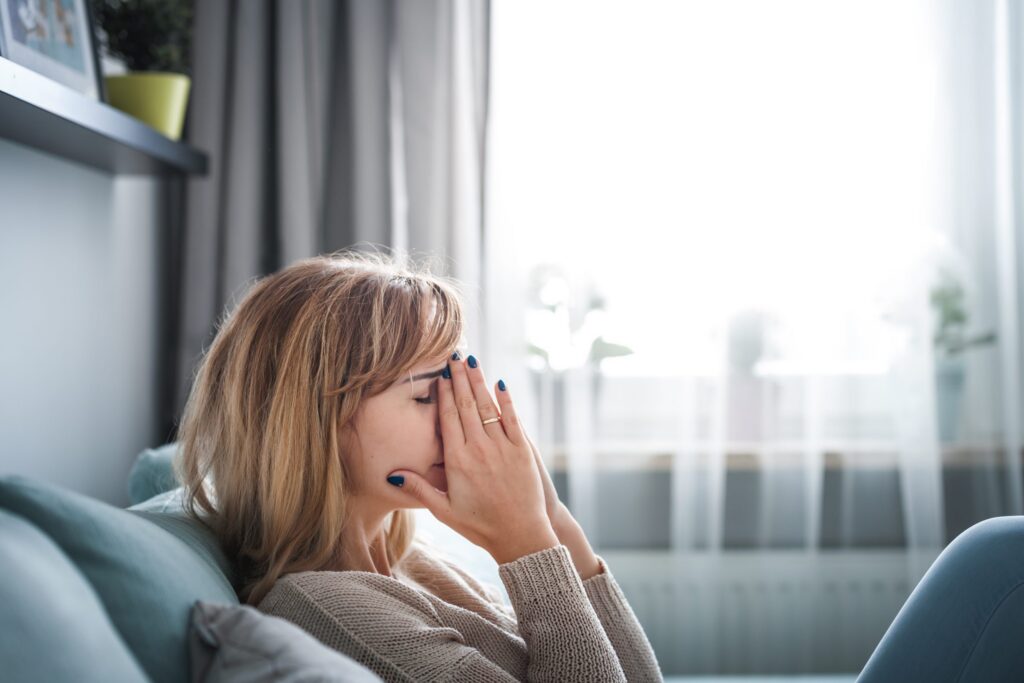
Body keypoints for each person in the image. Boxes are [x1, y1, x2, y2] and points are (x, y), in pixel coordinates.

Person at [175, 249, 664, 682]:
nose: (463, 416)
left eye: (458, 383)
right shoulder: (329, 611)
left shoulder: (412, 564)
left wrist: (551, 518)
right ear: (317, 422)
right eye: (429, 394)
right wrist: (525, 543)